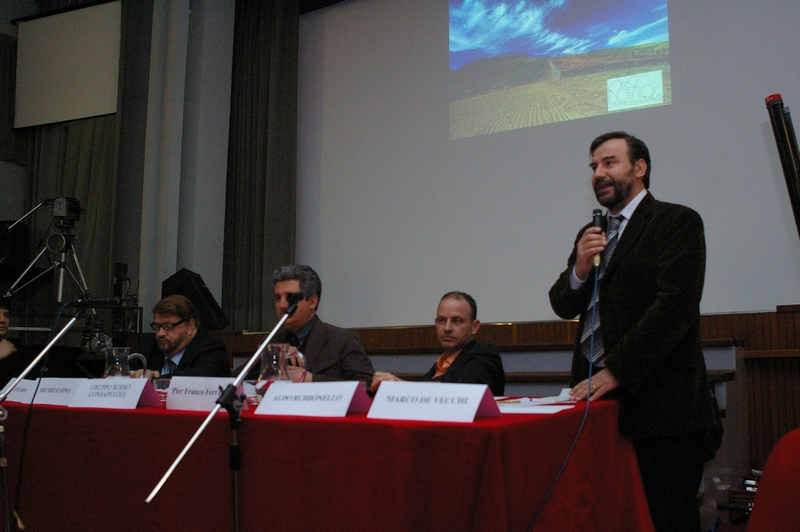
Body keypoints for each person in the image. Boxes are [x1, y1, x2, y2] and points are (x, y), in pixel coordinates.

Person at [549, 131, 714, 532]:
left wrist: (616, 369)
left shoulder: (677, 221)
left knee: (665, 520)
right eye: (593, 167)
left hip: (662, 414)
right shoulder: (593, 232)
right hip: (602, 412)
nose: (598, 174)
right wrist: (580, 270)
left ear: (639, 169)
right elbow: (564, 304)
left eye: (609, 163)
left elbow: (674, 310)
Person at [371, 292, 505, 396]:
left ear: (474, 327)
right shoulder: (440, 364)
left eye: (457, 321)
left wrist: (401, 386)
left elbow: (459, 390)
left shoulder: (484, 355)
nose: (447, 328)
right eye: (441, 320)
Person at [266, 264, 374, 385]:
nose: (282, 305)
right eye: (277, 297)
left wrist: (310, 379)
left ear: (312, 302)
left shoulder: (342, 340)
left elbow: (366, 385)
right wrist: (272, 356)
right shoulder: (273, 342)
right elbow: (241, 381)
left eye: (289, 297)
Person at [139, 294, 230, 378]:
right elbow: (128, 372)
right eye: (157, 326)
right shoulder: (151, 347)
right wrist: (135, 374)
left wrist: (150, 380)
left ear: (190, 325)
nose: (160, 333)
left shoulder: (211, 350)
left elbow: (195, 380)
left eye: (169, 326)